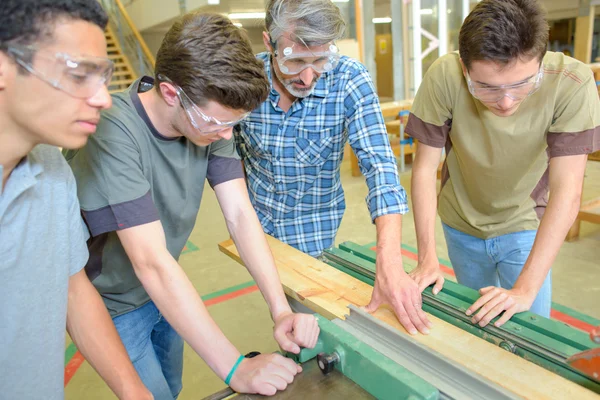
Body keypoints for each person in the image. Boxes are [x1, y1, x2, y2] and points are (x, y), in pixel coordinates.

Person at [64, 12, 319, 399]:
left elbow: (239, 214)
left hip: (164, 291)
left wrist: (280, 308)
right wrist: (236, 368)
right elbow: (150, 260)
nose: (226, 134)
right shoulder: (114, 129)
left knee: (173, 386)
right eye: (218, 123)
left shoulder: (208, 118)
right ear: (171, 93)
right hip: (111, 303)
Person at [234, 0, 432, 336]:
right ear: (269, 43)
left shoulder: (348, 80)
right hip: (256, 230)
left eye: (320, 60)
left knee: (314, 329)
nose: (308, 77)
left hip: (315, 232)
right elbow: (229, 158)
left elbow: (381, 167)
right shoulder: (243, 82)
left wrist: (390, 262)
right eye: (295, 61)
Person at [406, 0, 599, 328]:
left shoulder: (571, 83)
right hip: (461, 222)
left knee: (531, 330)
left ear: (540, 60)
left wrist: (524, 289)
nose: (506, 101)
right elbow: (423, 170)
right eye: (487, 87)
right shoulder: (445, 75)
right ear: (466, 69)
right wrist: (426, 258)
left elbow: (568, 192)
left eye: (523, 84)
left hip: (524, 222)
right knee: (474, 322)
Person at [0, 1, 152, 399]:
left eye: (103, 77)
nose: (103, 98)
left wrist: (136, 392)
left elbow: (71, 287)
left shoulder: (52, 169)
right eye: (79, 74)